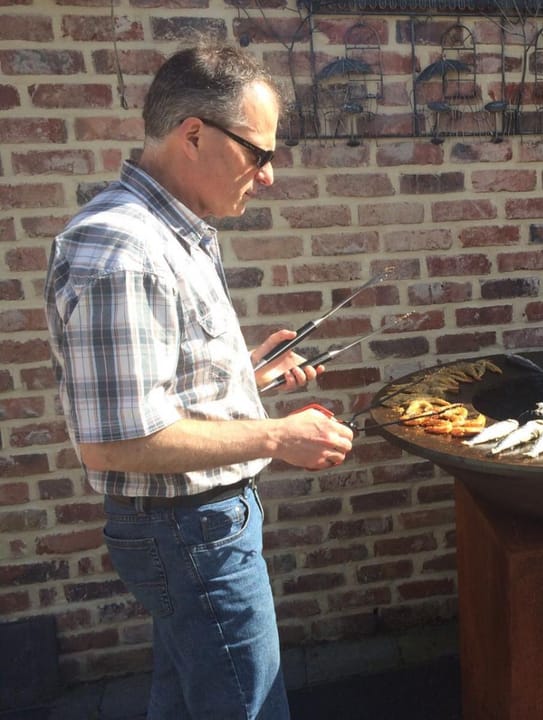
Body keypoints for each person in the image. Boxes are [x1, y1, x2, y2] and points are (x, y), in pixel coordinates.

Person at [44, 42, 354, 719]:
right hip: (190, 534)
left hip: (191, 530)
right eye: (260, 153)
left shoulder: (170, 232)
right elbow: (118, 443)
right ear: (193, 134)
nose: (269, 175)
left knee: (189, 701)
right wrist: (277, 435)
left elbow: (156, 395)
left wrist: (246, 380)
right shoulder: (124, 250)